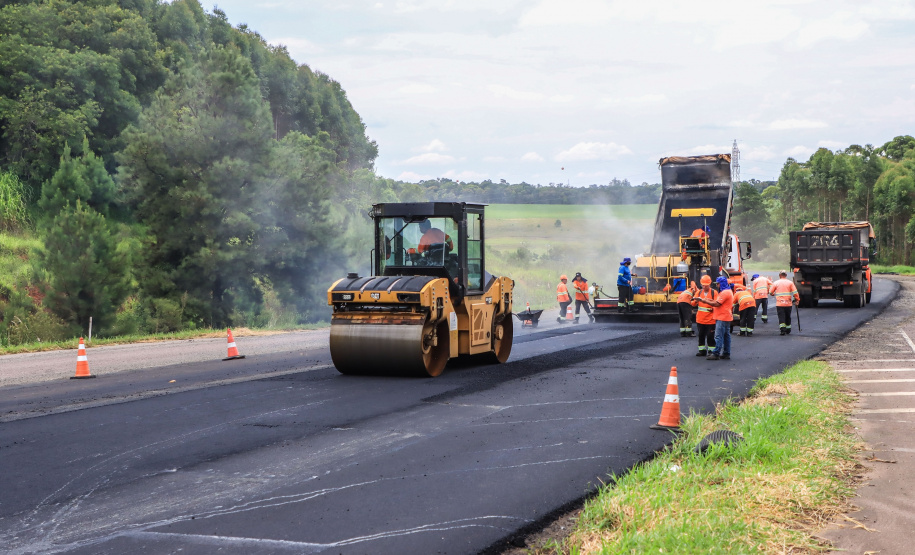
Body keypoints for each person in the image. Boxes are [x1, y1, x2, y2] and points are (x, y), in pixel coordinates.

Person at [695, 276, 734, 360]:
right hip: (726, 317)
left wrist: (705, 301)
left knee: (718, 336)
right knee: (726, 336)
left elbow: (717, 304)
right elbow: (716, 302)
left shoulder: (724, 293)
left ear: (722, 283)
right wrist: (705, 300)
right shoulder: (728, 291)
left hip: (722, 317)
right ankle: (726, 353)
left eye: (718, 284)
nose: (717, 286)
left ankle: (716, 353)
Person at [691, 275, 717, 356]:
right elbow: (692, 303)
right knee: (701, 335)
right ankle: (702, 351)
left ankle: (711, 351)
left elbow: (717, 304)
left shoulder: (714, 293)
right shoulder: (699, 292)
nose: (704, 286)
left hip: (711, 320)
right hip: (700, 319)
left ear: (710, 284)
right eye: (703, 285)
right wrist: (695, 301)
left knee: (710, 336)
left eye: (706, 285)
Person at [771, 270, 800, 335]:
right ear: (786, 275)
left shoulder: (776, 283)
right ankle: (788, 329)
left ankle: (782, 330)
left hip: (780, 304)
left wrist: (772, 294)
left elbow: (771, 292)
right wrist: (797, 300)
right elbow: (795, 292)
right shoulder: (790, 283)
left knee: (781, 316)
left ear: (780, 275)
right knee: (787, 316)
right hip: (788, 303)